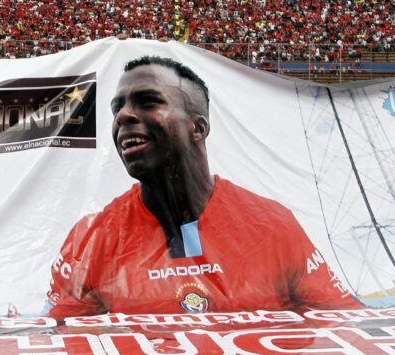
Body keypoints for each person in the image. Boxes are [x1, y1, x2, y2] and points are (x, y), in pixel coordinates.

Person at [46, 56, 360, 318]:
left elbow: (346, 325)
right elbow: (61, 343)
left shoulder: (274, 227)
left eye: (148, 102)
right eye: (117, 108)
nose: (124, 116)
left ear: (198, 128)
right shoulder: (91, 241)